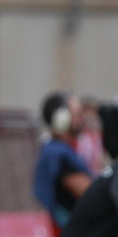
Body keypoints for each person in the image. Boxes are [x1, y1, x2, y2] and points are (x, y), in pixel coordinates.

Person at [30, 92, 92, 229]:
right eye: (77, 114)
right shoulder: (59, 155)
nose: (82, 119)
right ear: (61, 119)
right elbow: (92, 195)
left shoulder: (59, 150)